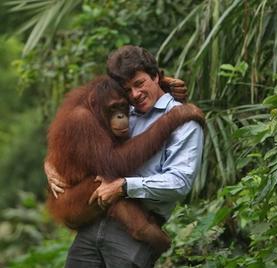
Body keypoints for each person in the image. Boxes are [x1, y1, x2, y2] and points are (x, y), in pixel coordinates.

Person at [46, 45, 204, 268]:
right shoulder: (123, 106)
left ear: (156, 76)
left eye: (139, 84)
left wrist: (124, 187)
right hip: (93, 221)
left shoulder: (184, 122)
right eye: (127, 89)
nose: (134, 95)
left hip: (132, 232)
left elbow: (179, 183)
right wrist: (50, 162)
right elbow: (77, 143)